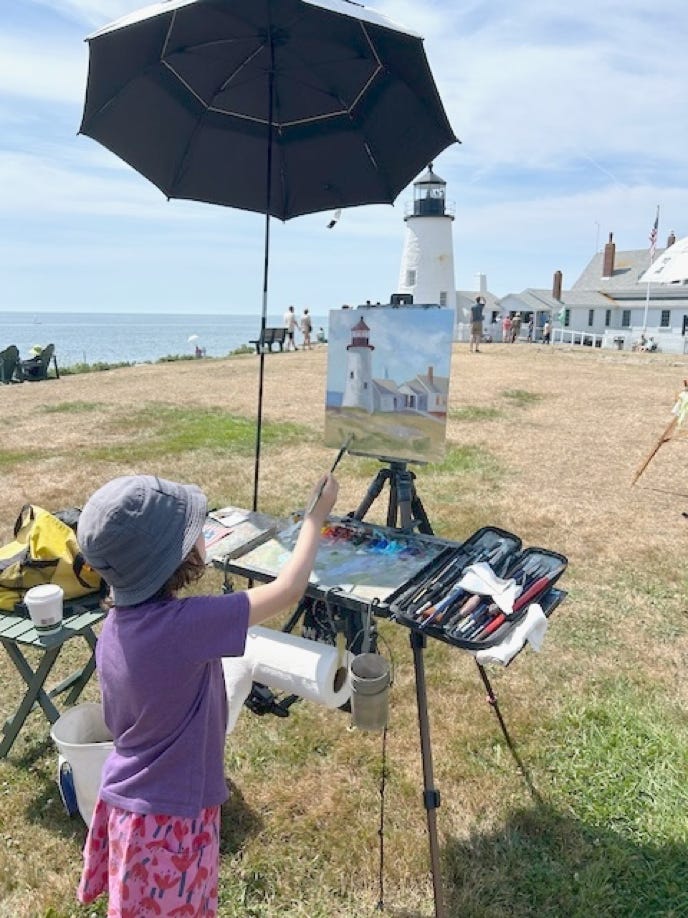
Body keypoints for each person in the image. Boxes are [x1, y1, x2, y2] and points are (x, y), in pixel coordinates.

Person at [75, 472, 338, 915]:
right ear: (173, 558)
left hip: (129, 805)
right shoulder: (184, 627)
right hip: (171, 821)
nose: (203, 532)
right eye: (194, 528)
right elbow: (289, 589)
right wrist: (316, 517)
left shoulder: (116, 628)